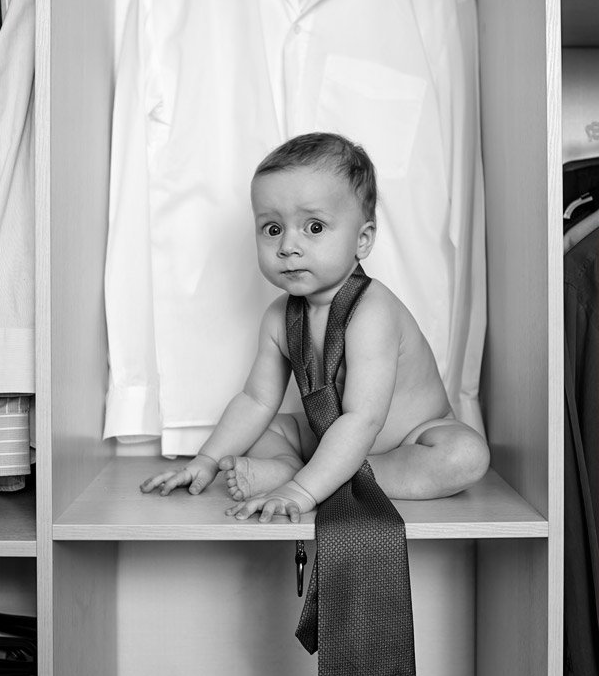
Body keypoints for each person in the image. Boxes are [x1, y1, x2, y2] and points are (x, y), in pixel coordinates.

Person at [140, 132, 490, 522]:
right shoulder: (279, 318)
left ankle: (310, 476)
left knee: (465, 454)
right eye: (273, 229)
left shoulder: (372, 312)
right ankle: (310, 470)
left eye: (314, 227)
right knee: (261, 429)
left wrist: (300, 491)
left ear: (362, 240)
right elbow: (256, 400)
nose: (288, 246)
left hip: (408, 442)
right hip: (328, 439)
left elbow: (363, 418)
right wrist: (206, 460)